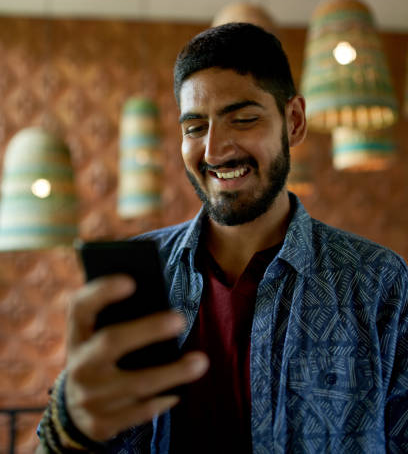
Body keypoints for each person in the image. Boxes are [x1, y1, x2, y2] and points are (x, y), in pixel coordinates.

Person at [37, 23, 408, 453]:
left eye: (244, 119)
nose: (214, 151)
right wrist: (71, 427)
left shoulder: (379, 282)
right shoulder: (139, 277)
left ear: (294, 122)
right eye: (195, 128)